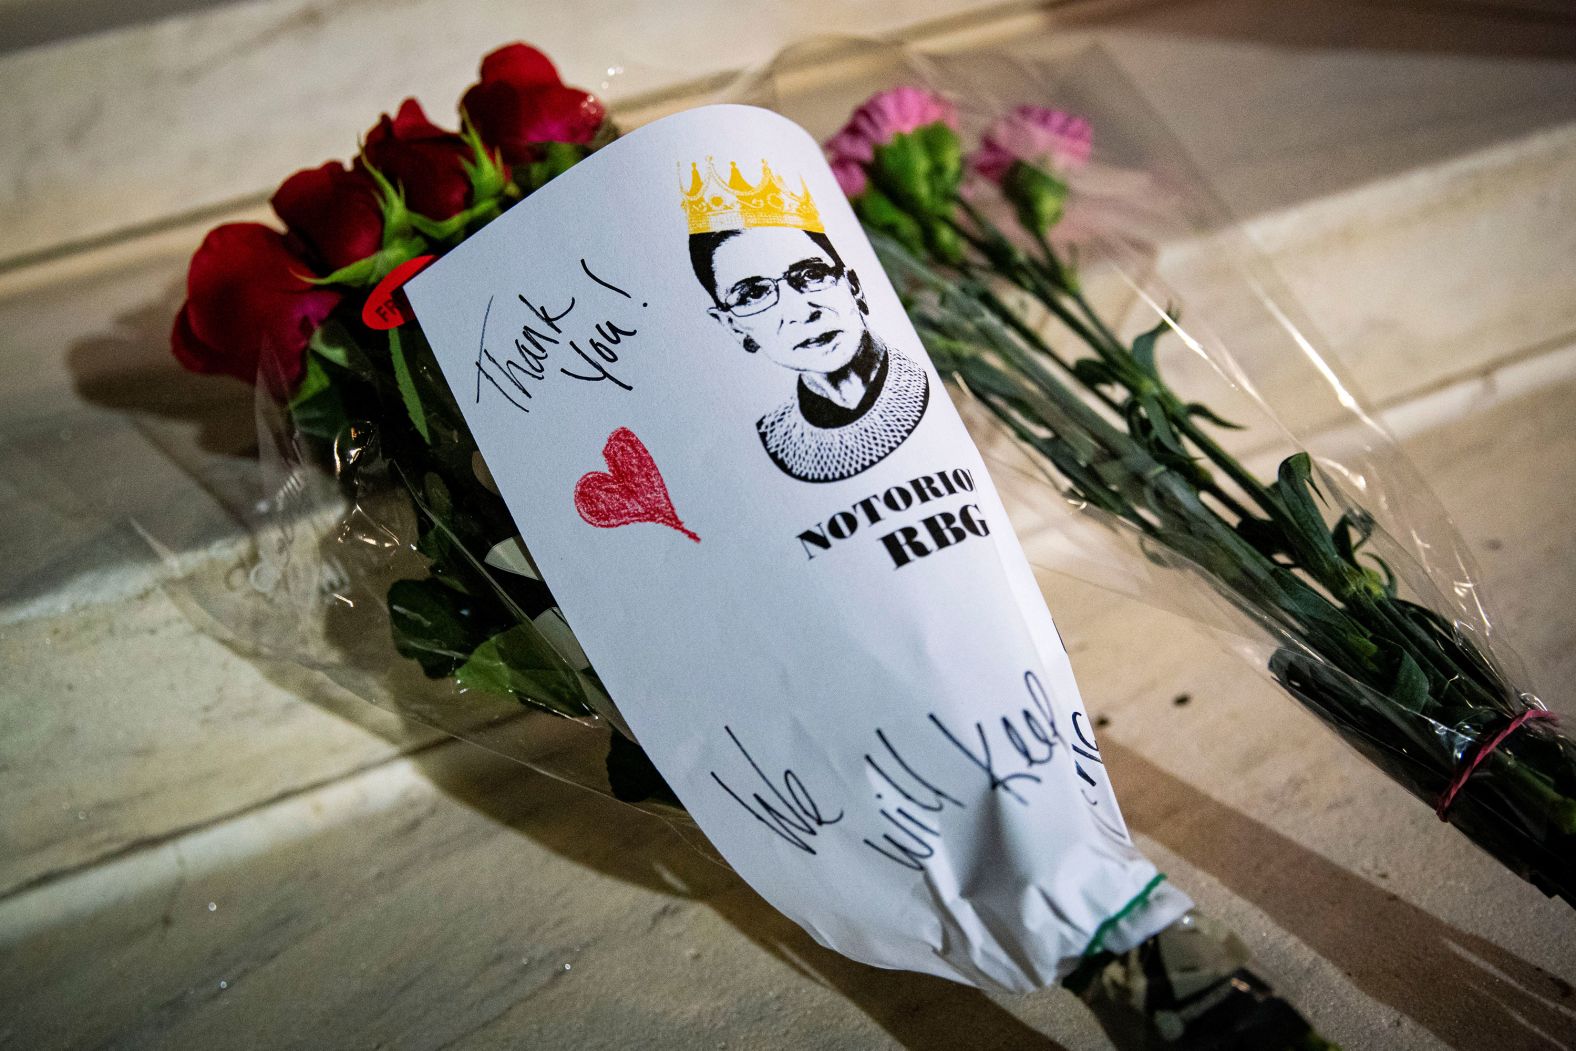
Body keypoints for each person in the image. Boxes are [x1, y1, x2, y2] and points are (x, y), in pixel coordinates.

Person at [690, 224, 929, 483]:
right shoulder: (777, 440)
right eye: (754, 294)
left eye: (812, 274)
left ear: (853, 286)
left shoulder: (927, 379)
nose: (801, 312)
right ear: (734, 327)